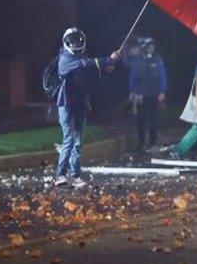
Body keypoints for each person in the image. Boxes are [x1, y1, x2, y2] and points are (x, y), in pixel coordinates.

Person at [54, 26, 121, 188]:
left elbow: (90, 70)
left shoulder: (80, 59)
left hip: (80, 105)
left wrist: (106, 68)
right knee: (69, 139)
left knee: (78, 141)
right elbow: (86, 64)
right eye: (73, 42)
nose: (76, 44)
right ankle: (60, 175)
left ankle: (75, 175)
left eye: (78, 41)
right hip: (67, 105)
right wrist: (109, 59)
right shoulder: (65, 59)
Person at [128, 37, 167, 150]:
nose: (151, 48)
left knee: (153, 119)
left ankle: (153, 142)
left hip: (154, 94)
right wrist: (132, 91)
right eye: (149, 46)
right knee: (141, 120)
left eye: (152, 46)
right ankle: (141, 143)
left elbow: (162, 76)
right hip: (141, 95)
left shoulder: (158, 60)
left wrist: (162, 91)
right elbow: (133, 77)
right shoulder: (137, 61)